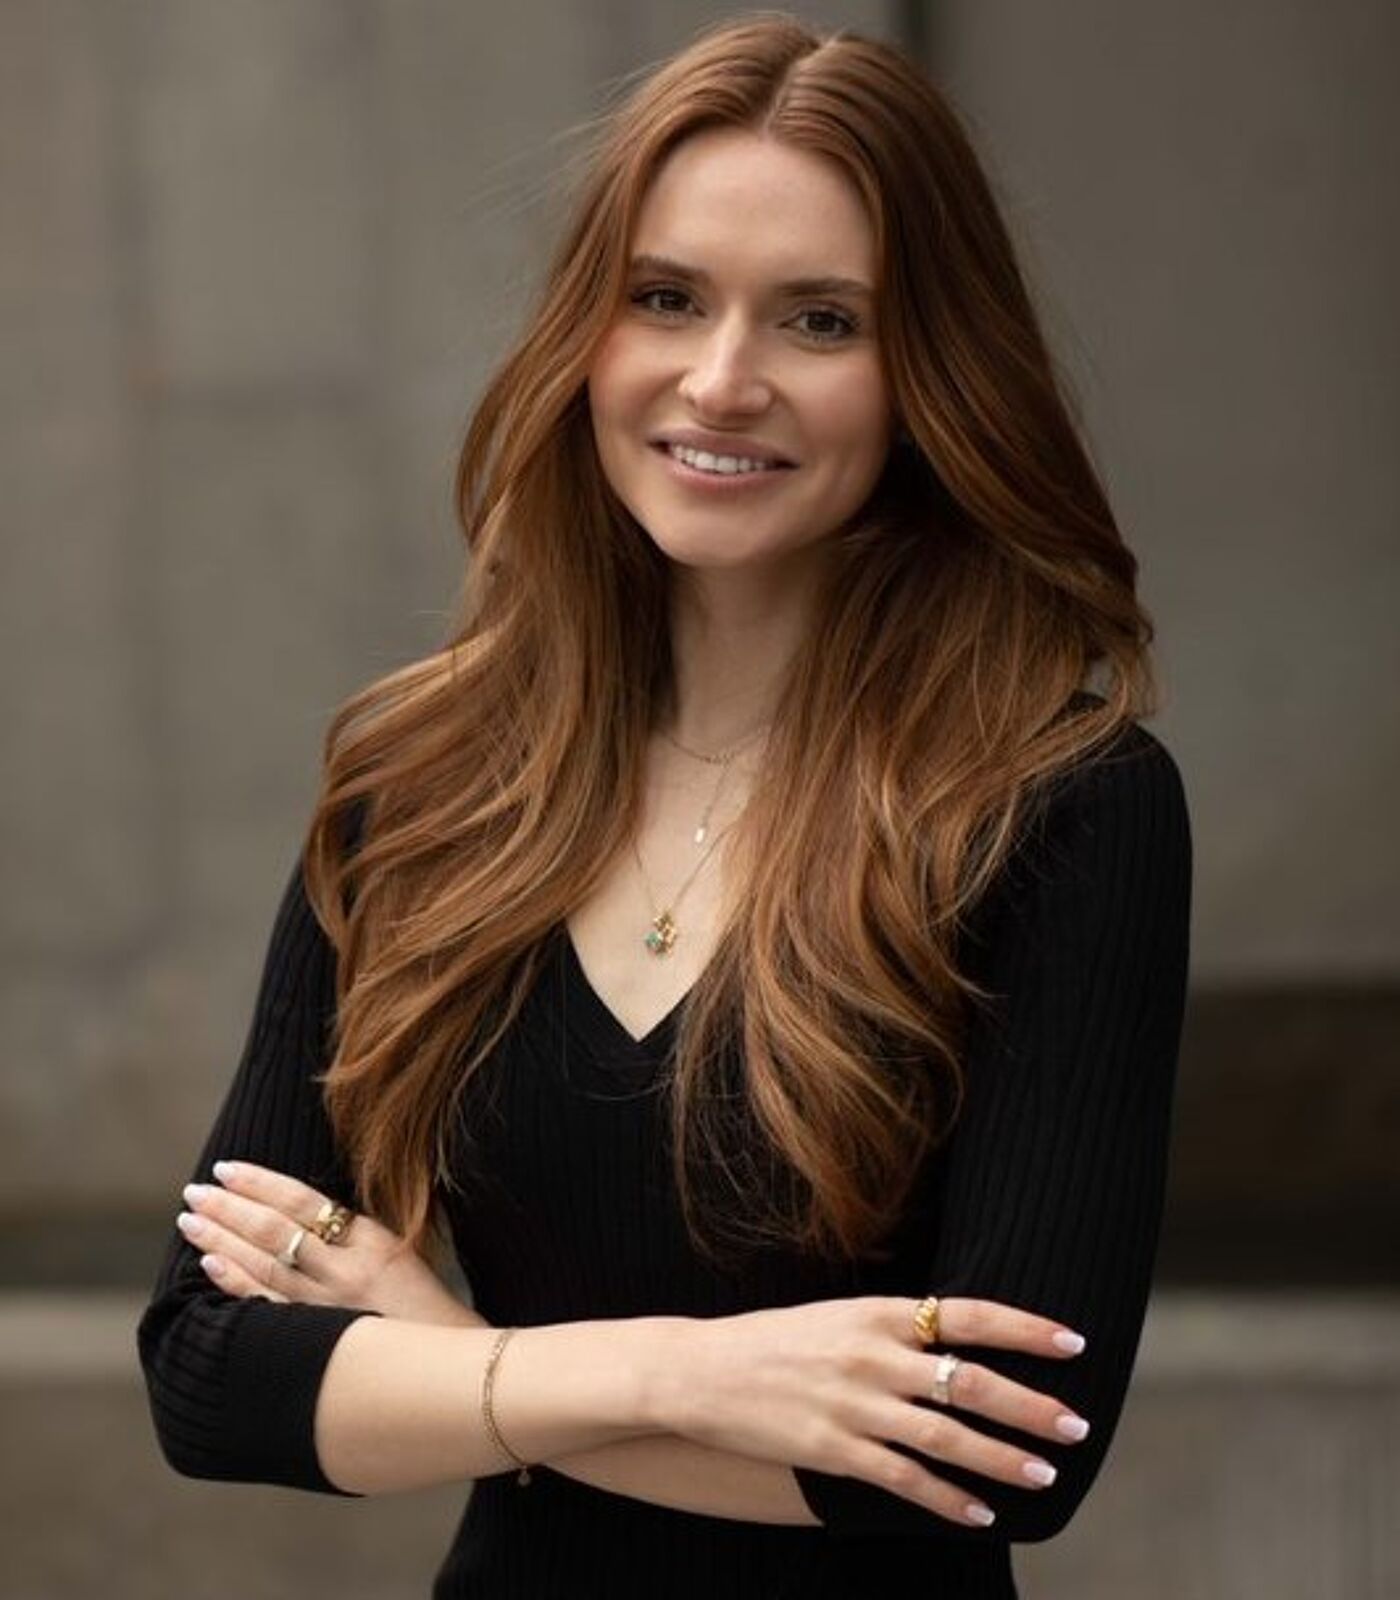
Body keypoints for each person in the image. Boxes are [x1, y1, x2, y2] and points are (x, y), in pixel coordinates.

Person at [137, 13, 1191, 1599]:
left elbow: (1001, 1456)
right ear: (587, 335)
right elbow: (209, 1371)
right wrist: (668, 1379)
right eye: (666, 298)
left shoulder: (1057, 810)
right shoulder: (416, 793)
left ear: (930, 377)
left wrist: (458, 1372)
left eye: (820, 320)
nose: (722, 379)